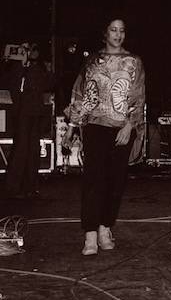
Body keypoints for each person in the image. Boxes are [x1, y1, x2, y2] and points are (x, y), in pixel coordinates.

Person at [62, 16, 146, 256]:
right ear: (105, 33)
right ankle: (89, 234)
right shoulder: (91, 61)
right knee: (93, 181)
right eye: (113, 30)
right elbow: (79, 94)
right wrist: (71, 127)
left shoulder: (134, 62)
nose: (117, 35)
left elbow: (138, 96)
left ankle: (104, 228)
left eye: (121, 30)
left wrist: (129, 125)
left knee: (115, 182)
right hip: (95, 127)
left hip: (121, 129)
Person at [4, 43, 55, 199]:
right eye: (28, 50)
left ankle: (30, 187)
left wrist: (46, 69)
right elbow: (14, 85)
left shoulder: (37, 69)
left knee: (32, 151)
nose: (32, 53)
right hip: (22, 113)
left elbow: (49, 84)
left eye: (33, 50)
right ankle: (13, 188)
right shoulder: (16, 68)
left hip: (34, 113)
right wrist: (22, 64)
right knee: (20, 150)